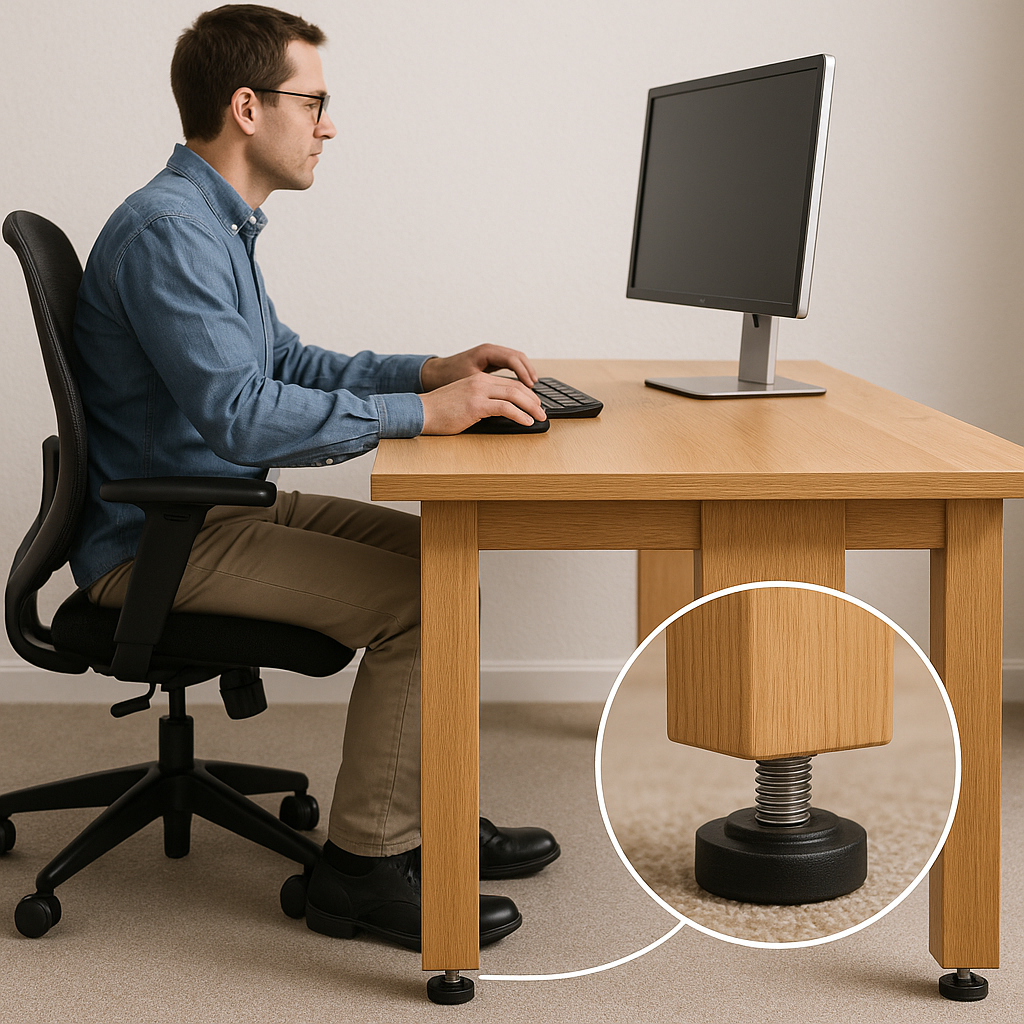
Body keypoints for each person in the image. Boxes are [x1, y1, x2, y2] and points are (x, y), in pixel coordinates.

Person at [71, 4, 558, 951]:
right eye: (316, 101)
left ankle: (426, 818)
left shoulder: (214, 222)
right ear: (247, 107)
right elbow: (243, 414)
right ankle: (363, 873)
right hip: (161, 541)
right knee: (420, 600)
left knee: (442, 558)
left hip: (210, 504)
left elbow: (284, 364)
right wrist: (428, 417)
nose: (329, 124)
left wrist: (432, 371)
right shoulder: (171, 232)